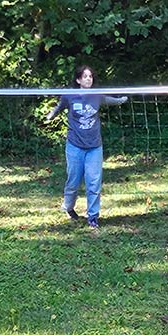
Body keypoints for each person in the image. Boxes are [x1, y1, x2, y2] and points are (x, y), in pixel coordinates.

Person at [45, 65, 128, 229]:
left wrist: (122, 100)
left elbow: (112, 100)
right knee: (73, 180)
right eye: (85, 76)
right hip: (75, 145)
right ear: (78, 80)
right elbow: (59, 107)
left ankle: (93, 216)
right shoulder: (70, 96)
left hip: (94, 146)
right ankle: (68, 207)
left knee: (94, 182)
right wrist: (50, 116)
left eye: (90, 76)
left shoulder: (97, 96)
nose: (88, 79)